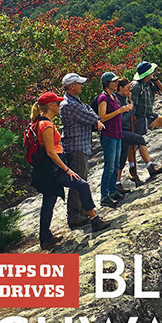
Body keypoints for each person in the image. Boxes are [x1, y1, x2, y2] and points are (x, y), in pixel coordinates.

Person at [29, 92, 111, 250]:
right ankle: (95, 220)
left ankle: (45, 238)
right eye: (58, 104)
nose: (60, 106)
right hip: (52, 169)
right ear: (51, 106)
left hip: (45, 170)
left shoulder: (40, 122)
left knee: (49, 202)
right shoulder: (46, 125)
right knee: (81, 185)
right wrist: (67, 170)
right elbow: (50, 152)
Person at [59, 72, 107, 227]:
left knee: (82, 179)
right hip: (76, 147)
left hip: (81, 145)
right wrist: (97, 120)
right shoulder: (69, 104)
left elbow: (89, 110)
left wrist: (96, 118)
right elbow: (89, 116)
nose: (81, 85)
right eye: (79, 83)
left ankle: (81, 211)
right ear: (72, 86)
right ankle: (74, 216)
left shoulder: (75, 101)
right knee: (78, 181)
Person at [117, 78, 162, 187]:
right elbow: (120, 118)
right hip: (120, 130)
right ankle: (149, 166)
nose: (130, 90)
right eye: (128, 88)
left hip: (127, 129)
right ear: (121, 88)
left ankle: (118, 183)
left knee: (123, 156)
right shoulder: (117, 100)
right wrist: (129, 112)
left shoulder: (126, 98)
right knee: (138, 140)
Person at [95, 72, 133, 207]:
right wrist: (120, 110)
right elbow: (102, 117)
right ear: (107, 83)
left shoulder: (113, 97)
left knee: (116, 165)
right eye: (114, 81)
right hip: (109, 135)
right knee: (109, 167)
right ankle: (104, 196)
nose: (116, 83)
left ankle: (112, 191)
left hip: (117, 134)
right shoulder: (103, 98)